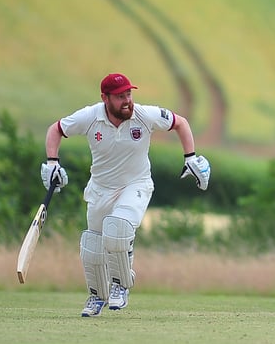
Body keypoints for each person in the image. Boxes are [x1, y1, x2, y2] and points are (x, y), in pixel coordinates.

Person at [41, 73, 210, 317]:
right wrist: (52, 163)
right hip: (100, 188)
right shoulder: (90, 116)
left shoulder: (144, 114)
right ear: (105, 98)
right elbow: (55, 130)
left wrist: (190, 157)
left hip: (136, 184)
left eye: (129, 94)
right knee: (93, 246)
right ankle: (97, 296)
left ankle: (121, 284)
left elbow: (180, 122)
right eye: (120, 96)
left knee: (118, 228)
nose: (127, 100)